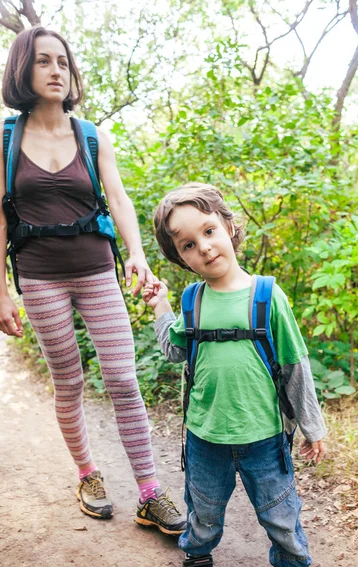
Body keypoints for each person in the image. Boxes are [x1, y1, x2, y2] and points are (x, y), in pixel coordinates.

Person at [0, 26, 185, 535]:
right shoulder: (6, 140)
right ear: (22, 69)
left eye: (62, 61)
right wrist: (2, 289)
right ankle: (87, 475)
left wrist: (137, 255)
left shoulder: (91, 134)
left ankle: (149, 492)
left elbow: (119, 199)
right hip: (39, 279)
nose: (56, 70)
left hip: (97, 270)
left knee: (124, 379)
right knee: (69, 382)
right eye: (43, 61)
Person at [142, 182, 327, 567]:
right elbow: (174, 351)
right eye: (188, 244)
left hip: (264, 436)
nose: (204, 248)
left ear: (228, 226)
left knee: (281, 514)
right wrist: (161, 308)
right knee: (203, 511)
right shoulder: (193, 301)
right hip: (206, 437)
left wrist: (312, 426)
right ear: (181, 258)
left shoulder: (267, 295)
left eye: (209, 231)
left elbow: (295, 365)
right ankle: (198, 561)